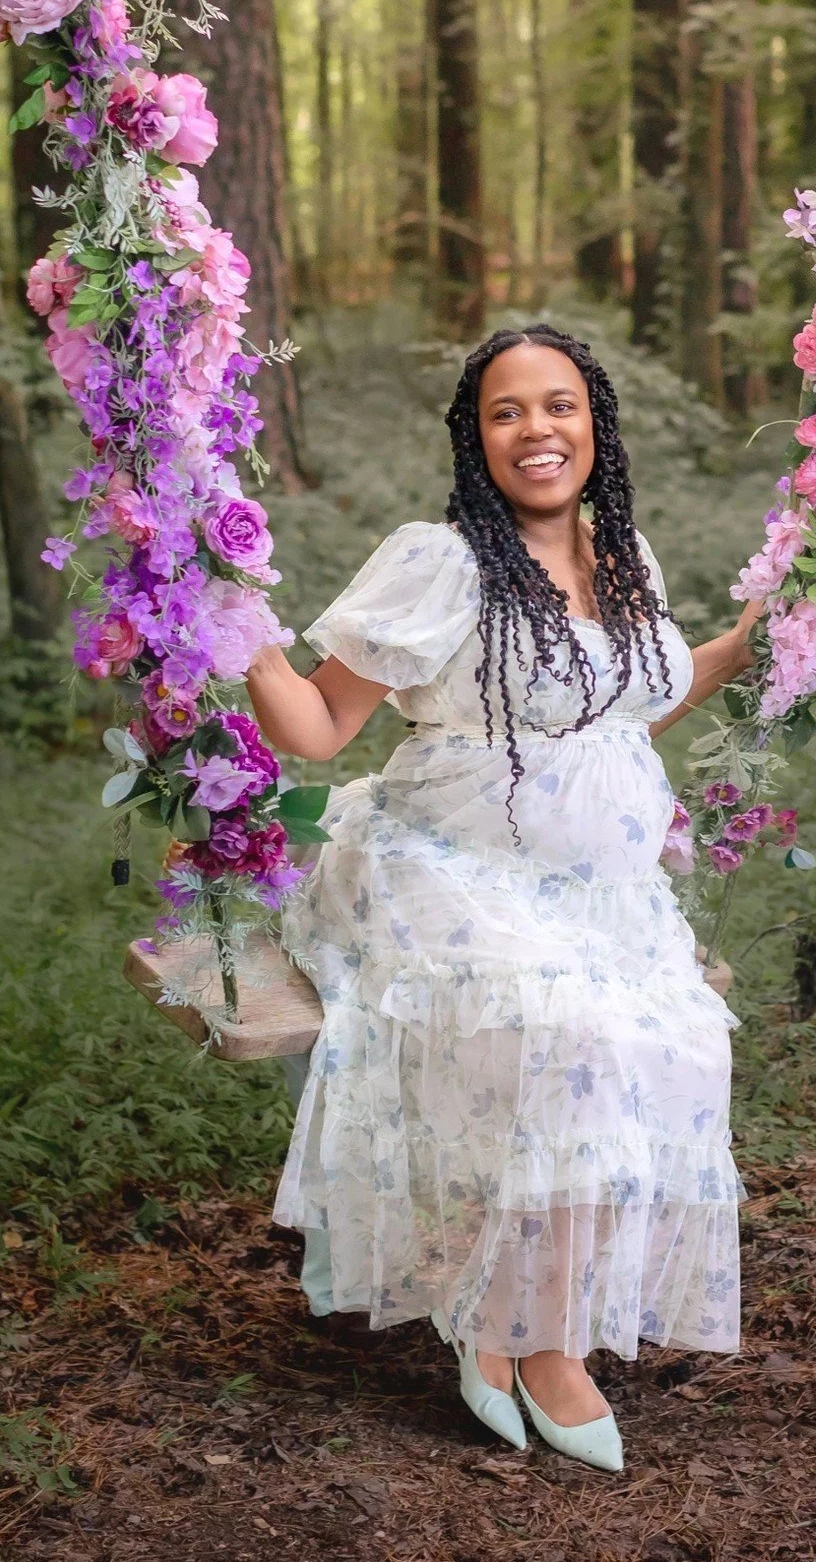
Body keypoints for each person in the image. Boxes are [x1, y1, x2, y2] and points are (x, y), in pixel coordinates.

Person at [246, 324, 760, 1472]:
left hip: (599, 895)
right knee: (567, 1034)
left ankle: (514, 1323)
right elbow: (317, 728)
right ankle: (541, 1342)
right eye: (507, 411)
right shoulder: (443, 562)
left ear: (595, 423)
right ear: (475, 438)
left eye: (560, 405)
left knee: (677, 1047)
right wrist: (227, 619)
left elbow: (615, 713)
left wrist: (738, 645)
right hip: (439, 867)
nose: (538, 429)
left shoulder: (626, 557)